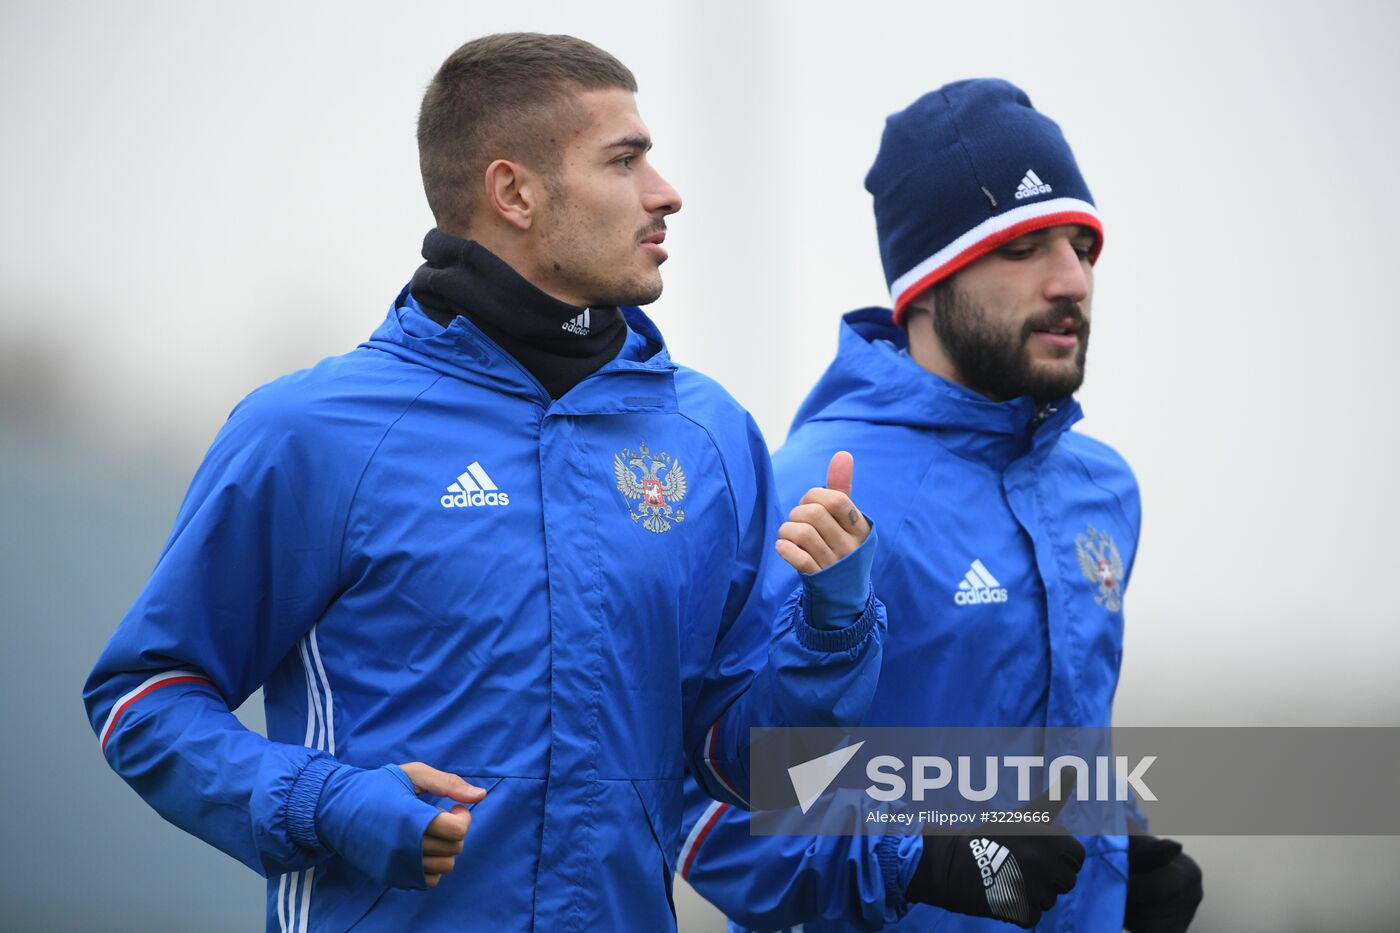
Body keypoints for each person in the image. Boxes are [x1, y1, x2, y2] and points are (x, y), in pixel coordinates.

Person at [84, 33, 887, 932]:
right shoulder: (310, 431)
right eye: (624, 161)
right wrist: (325, 800)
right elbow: (141, 698)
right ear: (515, 192)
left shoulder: (709, 437)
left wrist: (833, 625)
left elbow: (750, 771)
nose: (665, 192)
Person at [679, 80, 1203, 931]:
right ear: (927, 282)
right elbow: (711, 804)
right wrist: (930, 859)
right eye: (1025, 246)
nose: (1071, 279)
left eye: (1083, 246)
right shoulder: (811, 488)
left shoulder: (1102, 487)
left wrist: (1117, 855)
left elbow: (1061, 744)